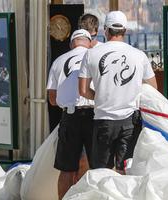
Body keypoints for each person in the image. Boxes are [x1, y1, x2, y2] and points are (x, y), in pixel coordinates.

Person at [79, 11, 157, 174]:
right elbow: (152, 88)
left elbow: (83, 90)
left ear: (106, 30)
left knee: (101, 172)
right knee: (126, 171)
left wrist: (100, 97)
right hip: (130, 121)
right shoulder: (139, 55)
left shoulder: (91, 54)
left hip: (103, 119)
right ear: (125, 31)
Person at [50, 29, 94, 200]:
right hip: (93, 116)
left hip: (69, 117)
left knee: (67, 169)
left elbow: (52, 99)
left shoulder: (58, 61)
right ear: (89, 42)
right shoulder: (94, 57)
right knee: (93, 165)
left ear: (71, 44)